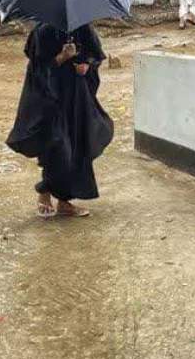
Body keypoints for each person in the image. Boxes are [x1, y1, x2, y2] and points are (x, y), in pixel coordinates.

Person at [6, 23, 114, 218]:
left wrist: (86, 65)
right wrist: (61, 57)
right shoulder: (42, 31)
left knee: (77, 146)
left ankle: (64, 201)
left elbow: (95, 55)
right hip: (50, 100)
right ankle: (45, 192)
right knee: (56, 145)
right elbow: (37, 71)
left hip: (76, 99)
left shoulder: (82, 28)